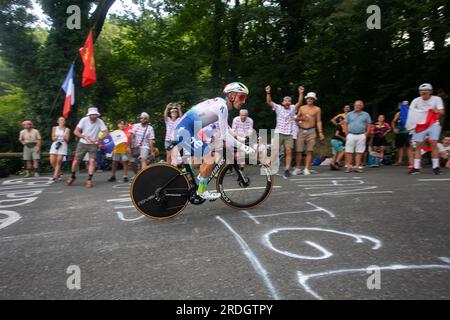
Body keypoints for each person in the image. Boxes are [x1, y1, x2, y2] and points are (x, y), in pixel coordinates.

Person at [173, 82, 253, 200]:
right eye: (242, 97)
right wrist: (244, 147)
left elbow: (225, 127)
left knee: (209, 155)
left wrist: (241, 139)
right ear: (231, 96)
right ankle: (201, 190)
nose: (243, 101)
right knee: (210, 158)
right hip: (184, 131)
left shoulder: (220, 103)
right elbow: (225, 135)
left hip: (186, 130)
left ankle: (200, 177)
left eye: (245, 98)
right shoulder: (222, 107)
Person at [406, 83, 446, 175]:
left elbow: (442, 111)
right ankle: (416, 167)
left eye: (426, 90)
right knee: (418, 145)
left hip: (433, 124)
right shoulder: (416, 100)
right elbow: (410, 113)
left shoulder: (437, 99)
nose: (423, 92)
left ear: (430, 92)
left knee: (433, 143)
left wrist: (435, 110)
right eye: (421, 91)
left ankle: (436, 167)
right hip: (420, 125)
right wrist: (410, 125)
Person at [265, 85, 305, 177]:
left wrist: (301, 93)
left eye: (289, 101)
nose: (287, 102)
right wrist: (268, 92)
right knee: (275, 151)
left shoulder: (293, 108)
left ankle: (287, 169)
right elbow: (269, 101)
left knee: (289, 151)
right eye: (285, 101)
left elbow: (300, 102)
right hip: (278, 132)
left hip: (289, 133)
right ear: (283, 102)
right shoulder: (278, 108)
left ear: (290, 103)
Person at [66, 107, 109, 188]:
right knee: (76, 161)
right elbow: (75, 131)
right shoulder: (84, 120)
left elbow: (106, 132)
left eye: (95, 115)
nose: (94, 116)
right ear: (89, 115)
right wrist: (84, 136)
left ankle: (89, 179)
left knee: (92, 161)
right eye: (92, 115)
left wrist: (98, 139)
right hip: (83, 143)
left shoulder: (100, 121)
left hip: (93, 144)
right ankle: (72, 176)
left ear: (97, 115)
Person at [294, 92, 325, 176]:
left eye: (311, 98)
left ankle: (306, 168)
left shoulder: (317, 109)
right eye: (308, 98)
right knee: (299, 150)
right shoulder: (302, 108)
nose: (309, 100)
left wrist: (320, 132)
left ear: (314, 100)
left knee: (310, 150)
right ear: (306, 99)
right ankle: (297, 168)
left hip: (311, 130)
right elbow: (296, 118)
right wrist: (301, 118)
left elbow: (318, 121)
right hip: (301, 130)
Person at [342, 100, 372, 173]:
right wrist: (346, 134)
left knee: (359, 152)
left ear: (362, 106)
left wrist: (366, 134)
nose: (357, 106)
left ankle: (357, 167)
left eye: (359, 105)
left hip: (361, 135)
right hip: (351, 134)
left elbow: (369, 124)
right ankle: (349, 167)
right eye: (356, 105)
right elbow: (345, 124)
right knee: (349, 151)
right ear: (354, 106)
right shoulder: (349, 114)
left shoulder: (366, 114)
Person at [391, 102, 413, 167]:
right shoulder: (399, 113)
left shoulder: (410, 113)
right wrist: (394, 128)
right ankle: (399, 161)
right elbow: (393, 121)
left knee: (409, 147)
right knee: (400, 147)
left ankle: (411, 162)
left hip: (408, 132)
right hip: (400, 132)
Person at [49, 117, 70, 181]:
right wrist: (56, 137)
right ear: (58, 121)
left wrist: (64, 137)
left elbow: (67, 140)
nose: (62, 121)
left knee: (58, 161)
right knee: (52, 161)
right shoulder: (54, 128)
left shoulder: (67, 129)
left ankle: (55, 176)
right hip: (55, 144)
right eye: (61, 120)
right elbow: (52, 138)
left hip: (63, 145)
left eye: (63, 120)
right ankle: (59, 172)